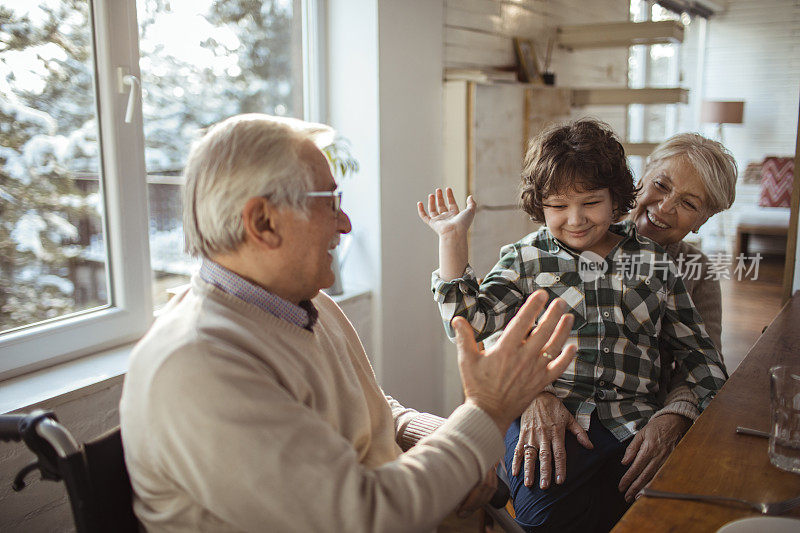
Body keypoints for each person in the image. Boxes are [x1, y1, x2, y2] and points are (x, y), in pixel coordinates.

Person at [118, 113, 579, 533]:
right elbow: (362, 517)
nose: (345, 223)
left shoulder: (302, 303)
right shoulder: (198, 364)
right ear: (263, 221)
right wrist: (486, 412)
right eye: (329, 202)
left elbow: (373, 411)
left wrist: (443, 436)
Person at [417, 119, 728, 532]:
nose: (576, 219)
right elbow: (471, 326)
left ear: (617, 196)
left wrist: (678, 414)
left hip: (632, 421)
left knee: (657, 514)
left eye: (590, 203)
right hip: (555, 417)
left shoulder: (660, 264)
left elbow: (702, 358)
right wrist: (451, 241)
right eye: (559, 206)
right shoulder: (525, 258)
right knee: (542, 518)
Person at [512, 132, 738, 510]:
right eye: (661, 185)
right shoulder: (572, 231)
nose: (665, 207)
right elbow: (500, 334)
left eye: (688, 203)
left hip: (639, 424)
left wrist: (673, 418)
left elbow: (701, 363)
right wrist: (535, 394)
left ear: (703, 220)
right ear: (641, 178)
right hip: (555, 408)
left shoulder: (695, 271)